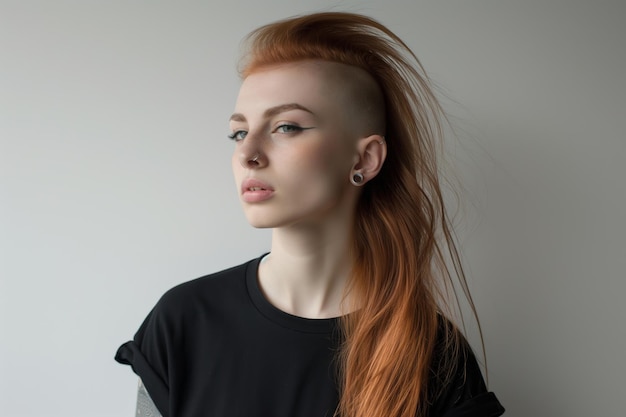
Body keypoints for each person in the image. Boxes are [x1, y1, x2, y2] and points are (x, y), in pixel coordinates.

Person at [115, 12, 505, 417]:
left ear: (366, 159)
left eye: (286, 127)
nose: (248, 154)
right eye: (239, 132)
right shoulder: (184, 320)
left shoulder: (432, 352)